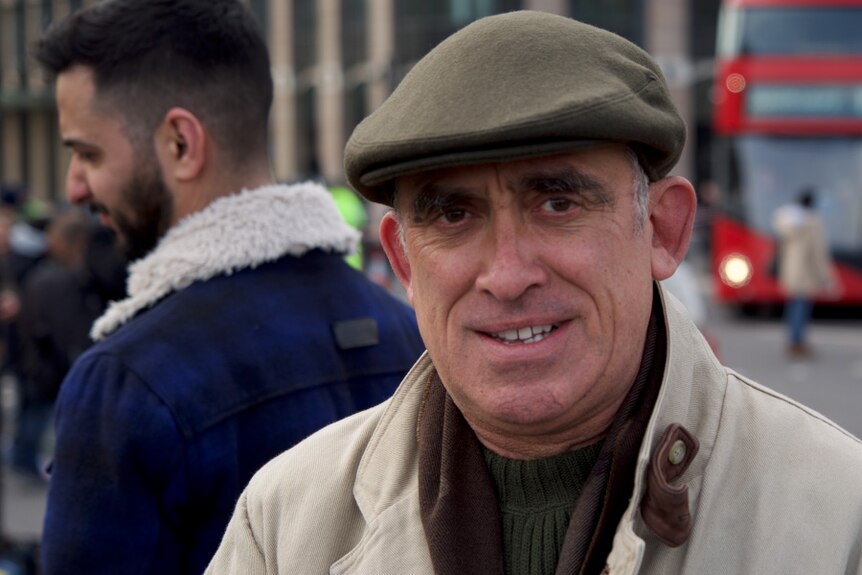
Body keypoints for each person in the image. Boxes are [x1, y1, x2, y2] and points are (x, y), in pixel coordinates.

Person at [208, 12, 862, 575]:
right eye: (454, 216)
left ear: (662, 230)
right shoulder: (284, 520)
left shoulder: (839, 513)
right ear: (404, 260)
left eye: (557, 202)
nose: (508, 273)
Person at [34, 1, 424, 573]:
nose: (73, 187)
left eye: (87, 153)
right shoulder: (406, 328)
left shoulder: (125, 381)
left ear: (180, 145)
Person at [11, 209, 98, 479]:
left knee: (32, 417)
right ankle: (24, 462)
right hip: (46, 363)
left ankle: (23, 460)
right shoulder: (59, 278)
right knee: (38, 419)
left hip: (36, 361)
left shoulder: (46, 275)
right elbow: (63, 329)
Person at [772, 188, 837, 358]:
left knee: (794, 304)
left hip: (791, 269)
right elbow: (818, 253)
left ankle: (794, 339)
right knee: (802, 306)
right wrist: (827, 277)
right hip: (806, 272)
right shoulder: (813, 221)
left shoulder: (785, 217)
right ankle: (797, 340)